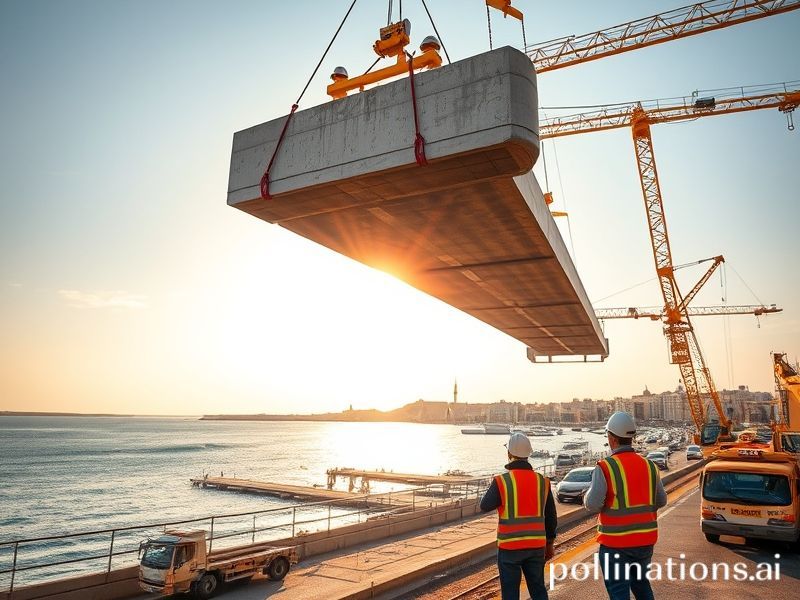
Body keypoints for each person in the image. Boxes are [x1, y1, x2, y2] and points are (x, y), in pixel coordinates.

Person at [583, 412, 668, 600]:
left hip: (616, 544)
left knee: (619, 594)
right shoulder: (649, 466)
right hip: (645, 542)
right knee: (642, 587)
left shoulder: (605, 467)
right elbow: (662, 500)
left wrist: (587, 495)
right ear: (631, 438)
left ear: (612, 439)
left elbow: (592, 504)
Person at [481, 432, 556, 600]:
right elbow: (551, 516)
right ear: (529, 454)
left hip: (509, 549)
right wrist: (550, 544)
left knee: (510, 594)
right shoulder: (542, 482)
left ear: (509, 454)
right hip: (536, 546)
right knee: (538, 590)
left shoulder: (501, 481)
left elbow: (484, 506)